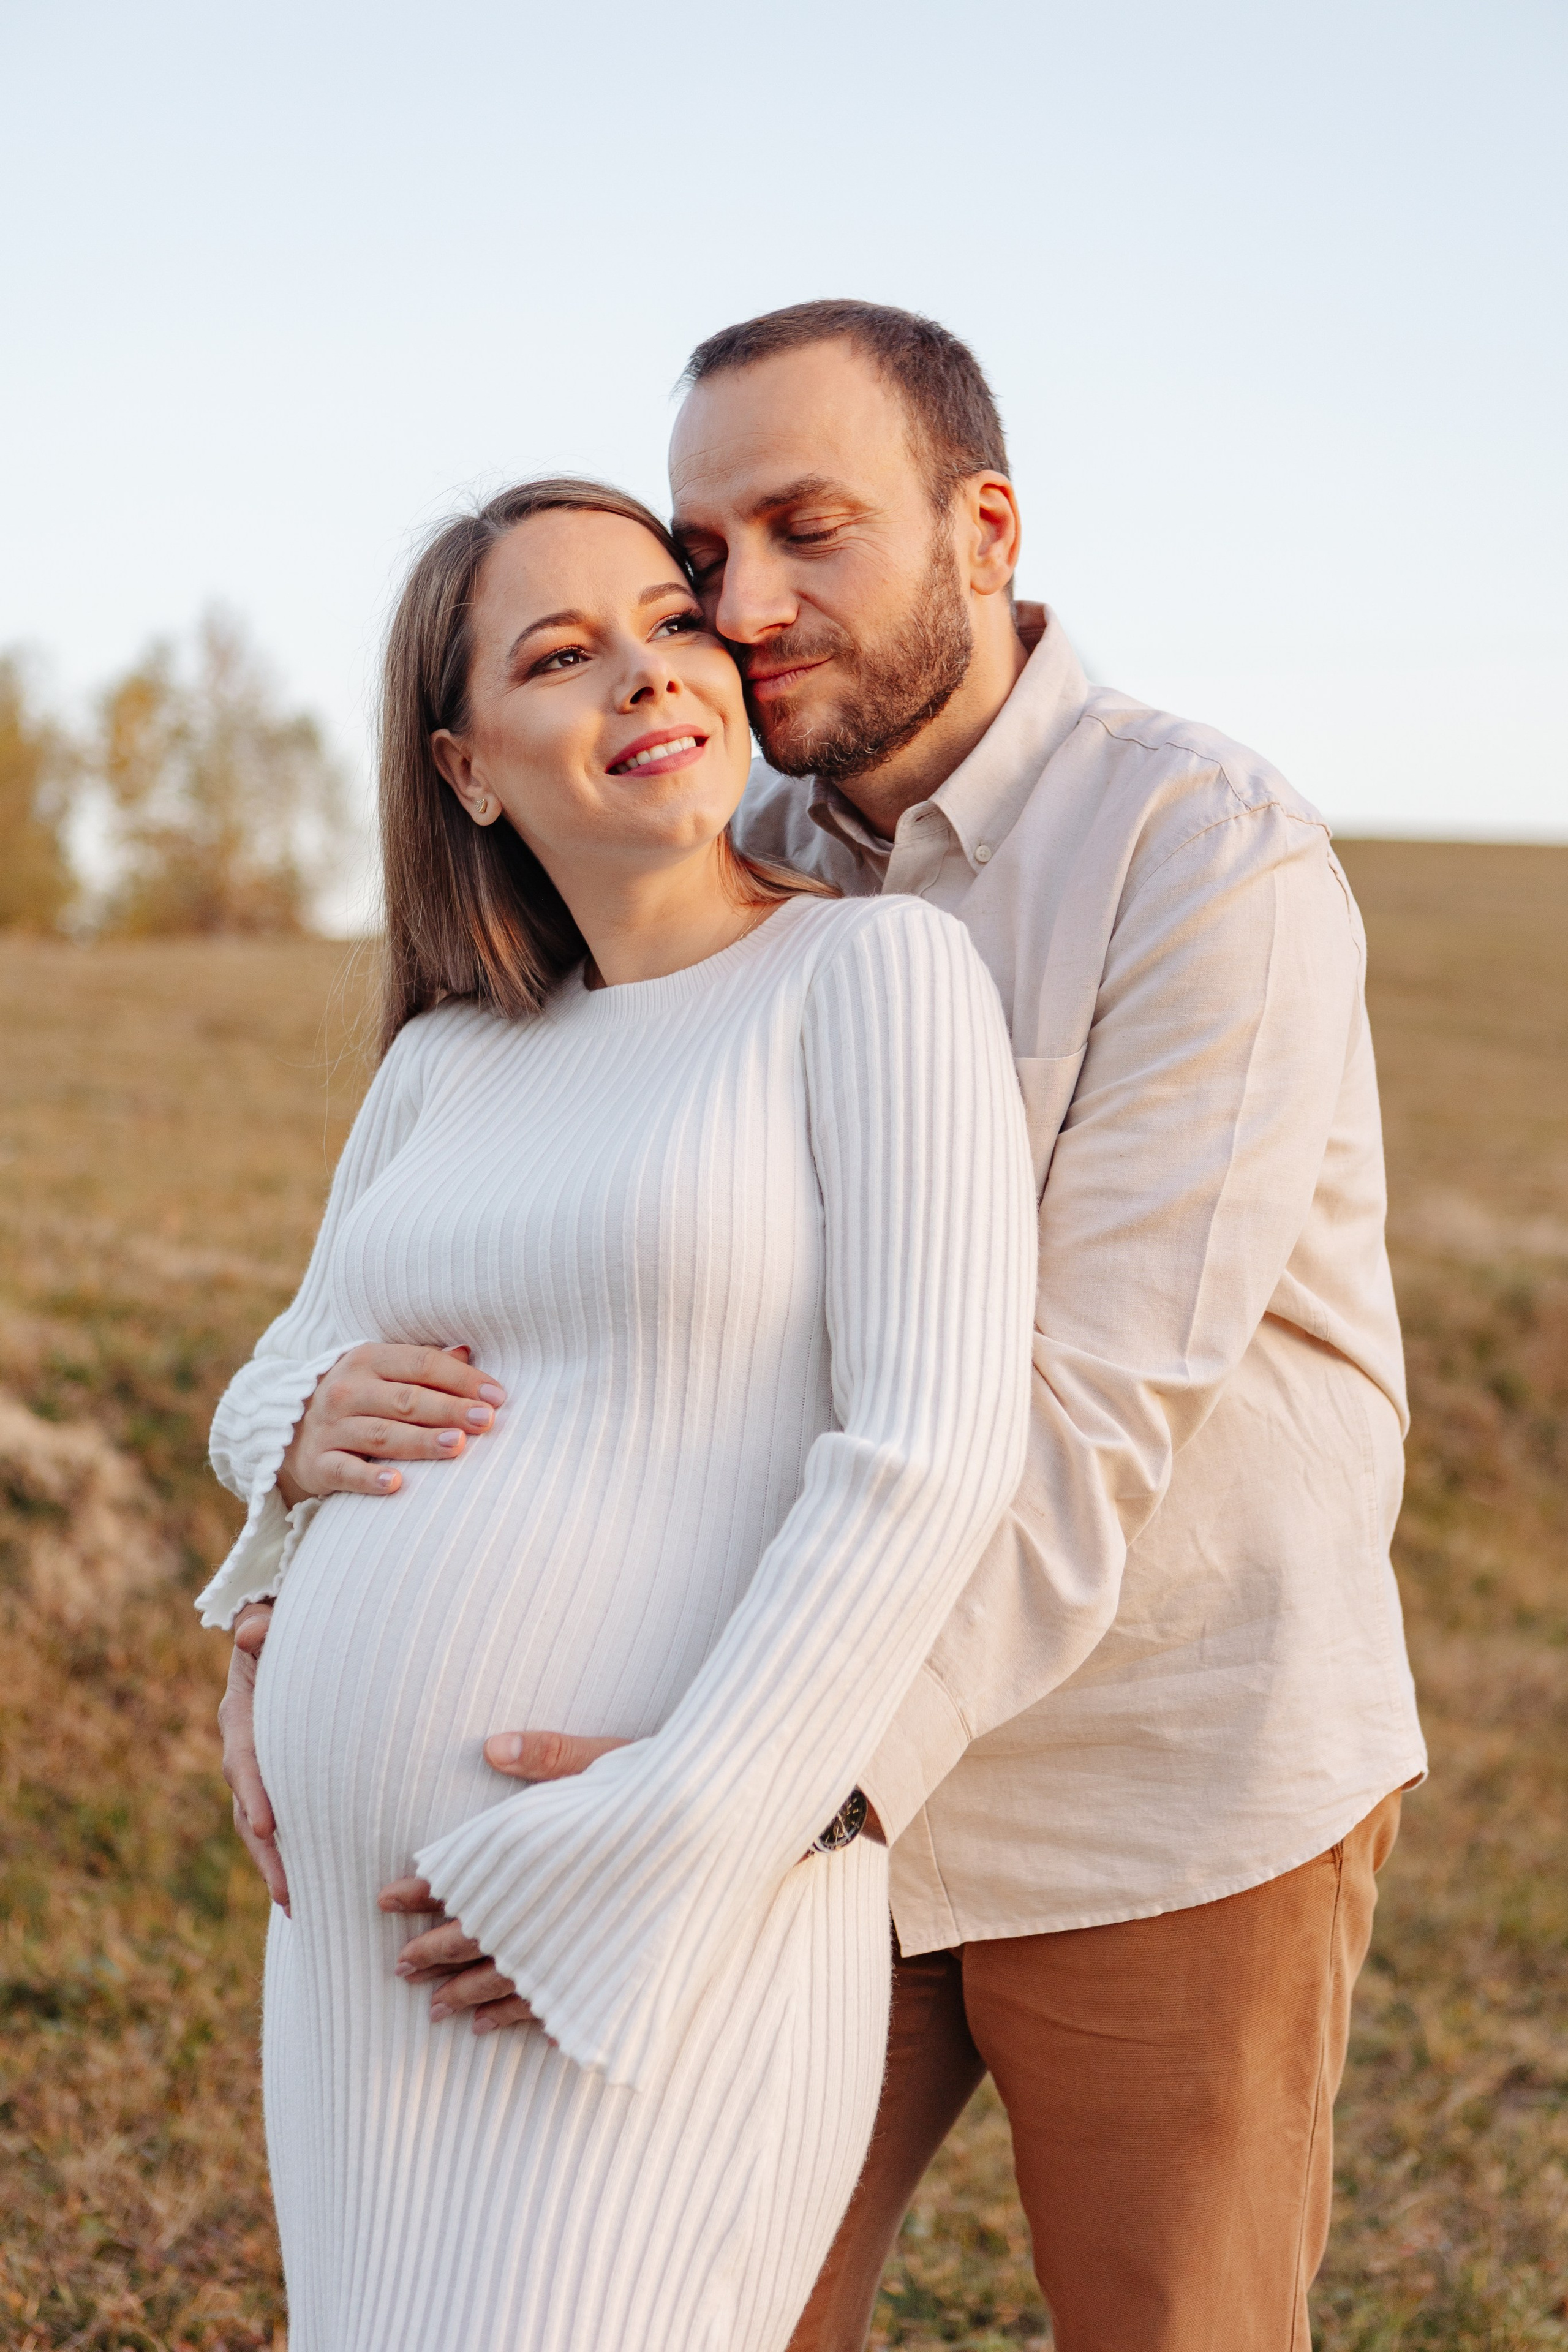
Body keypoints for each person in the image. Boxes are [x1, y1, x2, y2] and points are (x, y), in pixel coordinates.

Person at [222, 300, 1428, 2351]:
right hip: (761, 1778)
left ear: (985, 528)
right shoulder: (739, 849)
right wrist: (287, 1575)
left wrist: (747, 1793)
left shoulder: (1200, 854)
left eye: (807, 529)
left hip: (1145, 1774)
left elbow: (1074, 1416)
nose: (741, 607)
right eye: (707, 553)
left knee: (1172, 2324)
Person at [196, 475, 1036, 2352]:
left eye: (672, 621)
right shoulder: (446, 1060)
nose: (650, 675)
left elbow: (929, 1456)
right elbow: (282, 1373)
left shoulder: (871, 978)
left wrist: (658, 1837)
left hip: (646, 1917)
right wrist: (282, 1501)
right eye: (561, 656)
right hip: (359, 1953)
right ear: (468, 766)